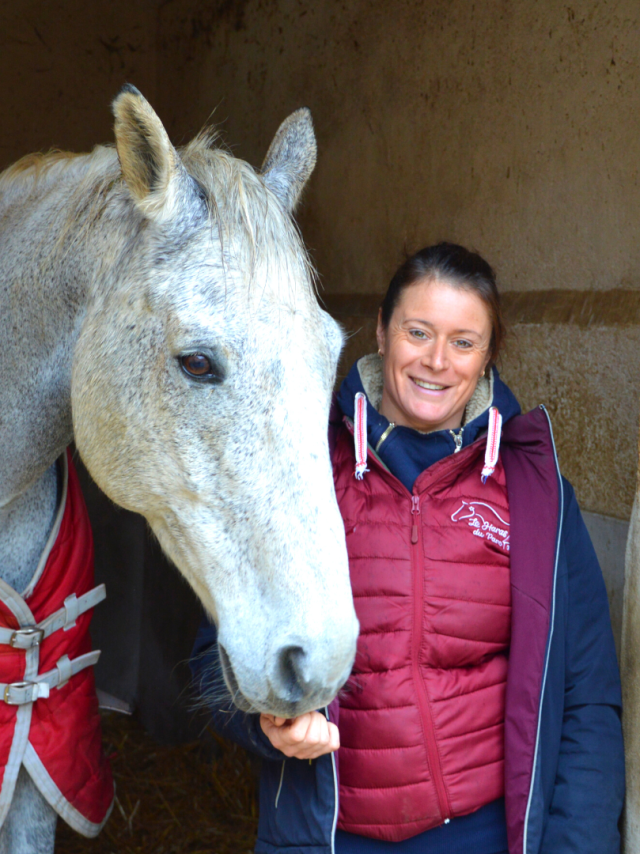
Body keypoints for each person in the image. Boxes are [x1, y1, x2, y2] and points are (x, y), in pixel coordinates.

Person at [191, 243, 624, 854]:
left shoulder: (534, 494)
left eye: (464, 342)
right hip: (329, 834)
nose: (437, 361)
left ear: (489, 354)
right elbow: (214, 658)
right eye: (418, 332)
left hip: (486, 834)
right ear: (381, 331)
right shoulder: (301, 472)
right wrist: (268, 724)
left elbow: (587, 697)